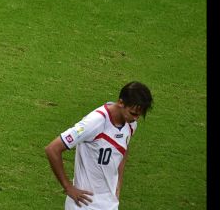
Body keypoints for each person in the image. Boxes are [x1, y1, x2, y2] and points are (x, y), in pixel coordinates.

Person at [44, 81, 153, 209]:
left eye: (139, 115)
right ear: (121, 102)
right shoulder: (95, 122)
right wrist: (68, 187)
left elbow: (123, 147)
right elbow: (52, 149)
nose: (136, 119)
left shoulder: (130, 123)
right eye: (133, 113)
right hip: (84, 204)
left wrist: (118, 183)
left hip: (109, 203)